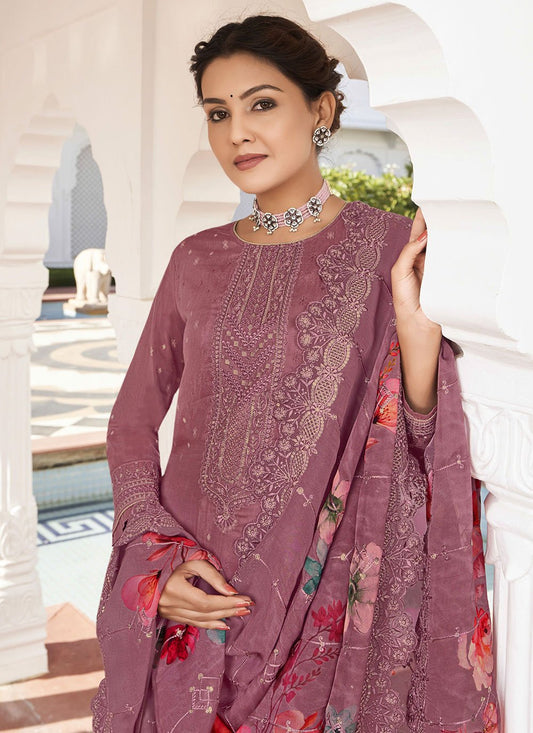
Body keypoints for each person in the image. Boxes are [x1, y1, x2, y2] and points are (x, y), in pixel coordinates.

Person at [92, 15, 499, 733]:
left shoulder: (391, 248)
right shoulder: (194, 259)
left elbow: (420, 436)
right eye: (218, 113)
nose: (237, 133)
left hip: (325, 622)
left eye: (261, 104)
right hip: (193, 604)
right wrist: (153, 563)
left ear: (321, 109)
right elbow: (131, 422)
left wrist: (413, 330)